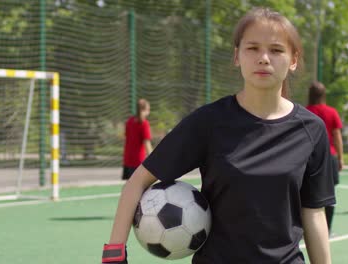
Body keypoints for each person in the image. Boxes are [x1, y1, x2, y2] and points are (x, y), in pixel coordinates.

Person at [102, 7, 335, 264]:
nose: (264, 58)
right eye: (253, 48)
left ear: (293, 60)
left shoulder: (311, 130)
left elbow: (313, 212)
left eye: (277, 50)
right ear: (237, 56)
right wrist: (114, 254)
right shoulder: (209, 122)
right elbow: (138, 181)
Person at [306, 81, 343, 235]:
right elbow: (337, 136)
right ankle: (327, 228)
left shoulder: (304, 111)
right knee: (329, 194)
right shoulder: (332, 112)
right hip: (329, 156)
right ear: (324, 95)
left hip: (308, 156)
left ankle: (304, 230)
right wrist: (341, 157)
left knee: (306, 194)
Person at [121, 98, 153, 180]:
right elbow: (147, 143)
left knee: (130, 187)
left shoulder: (129, 121)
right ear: (144, 110)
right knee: (140, 189)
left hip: (127, 160)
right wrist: (153, 159)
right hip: (138, 161)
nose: (149, 112)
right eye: (148, 109)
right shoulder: (144, 123)